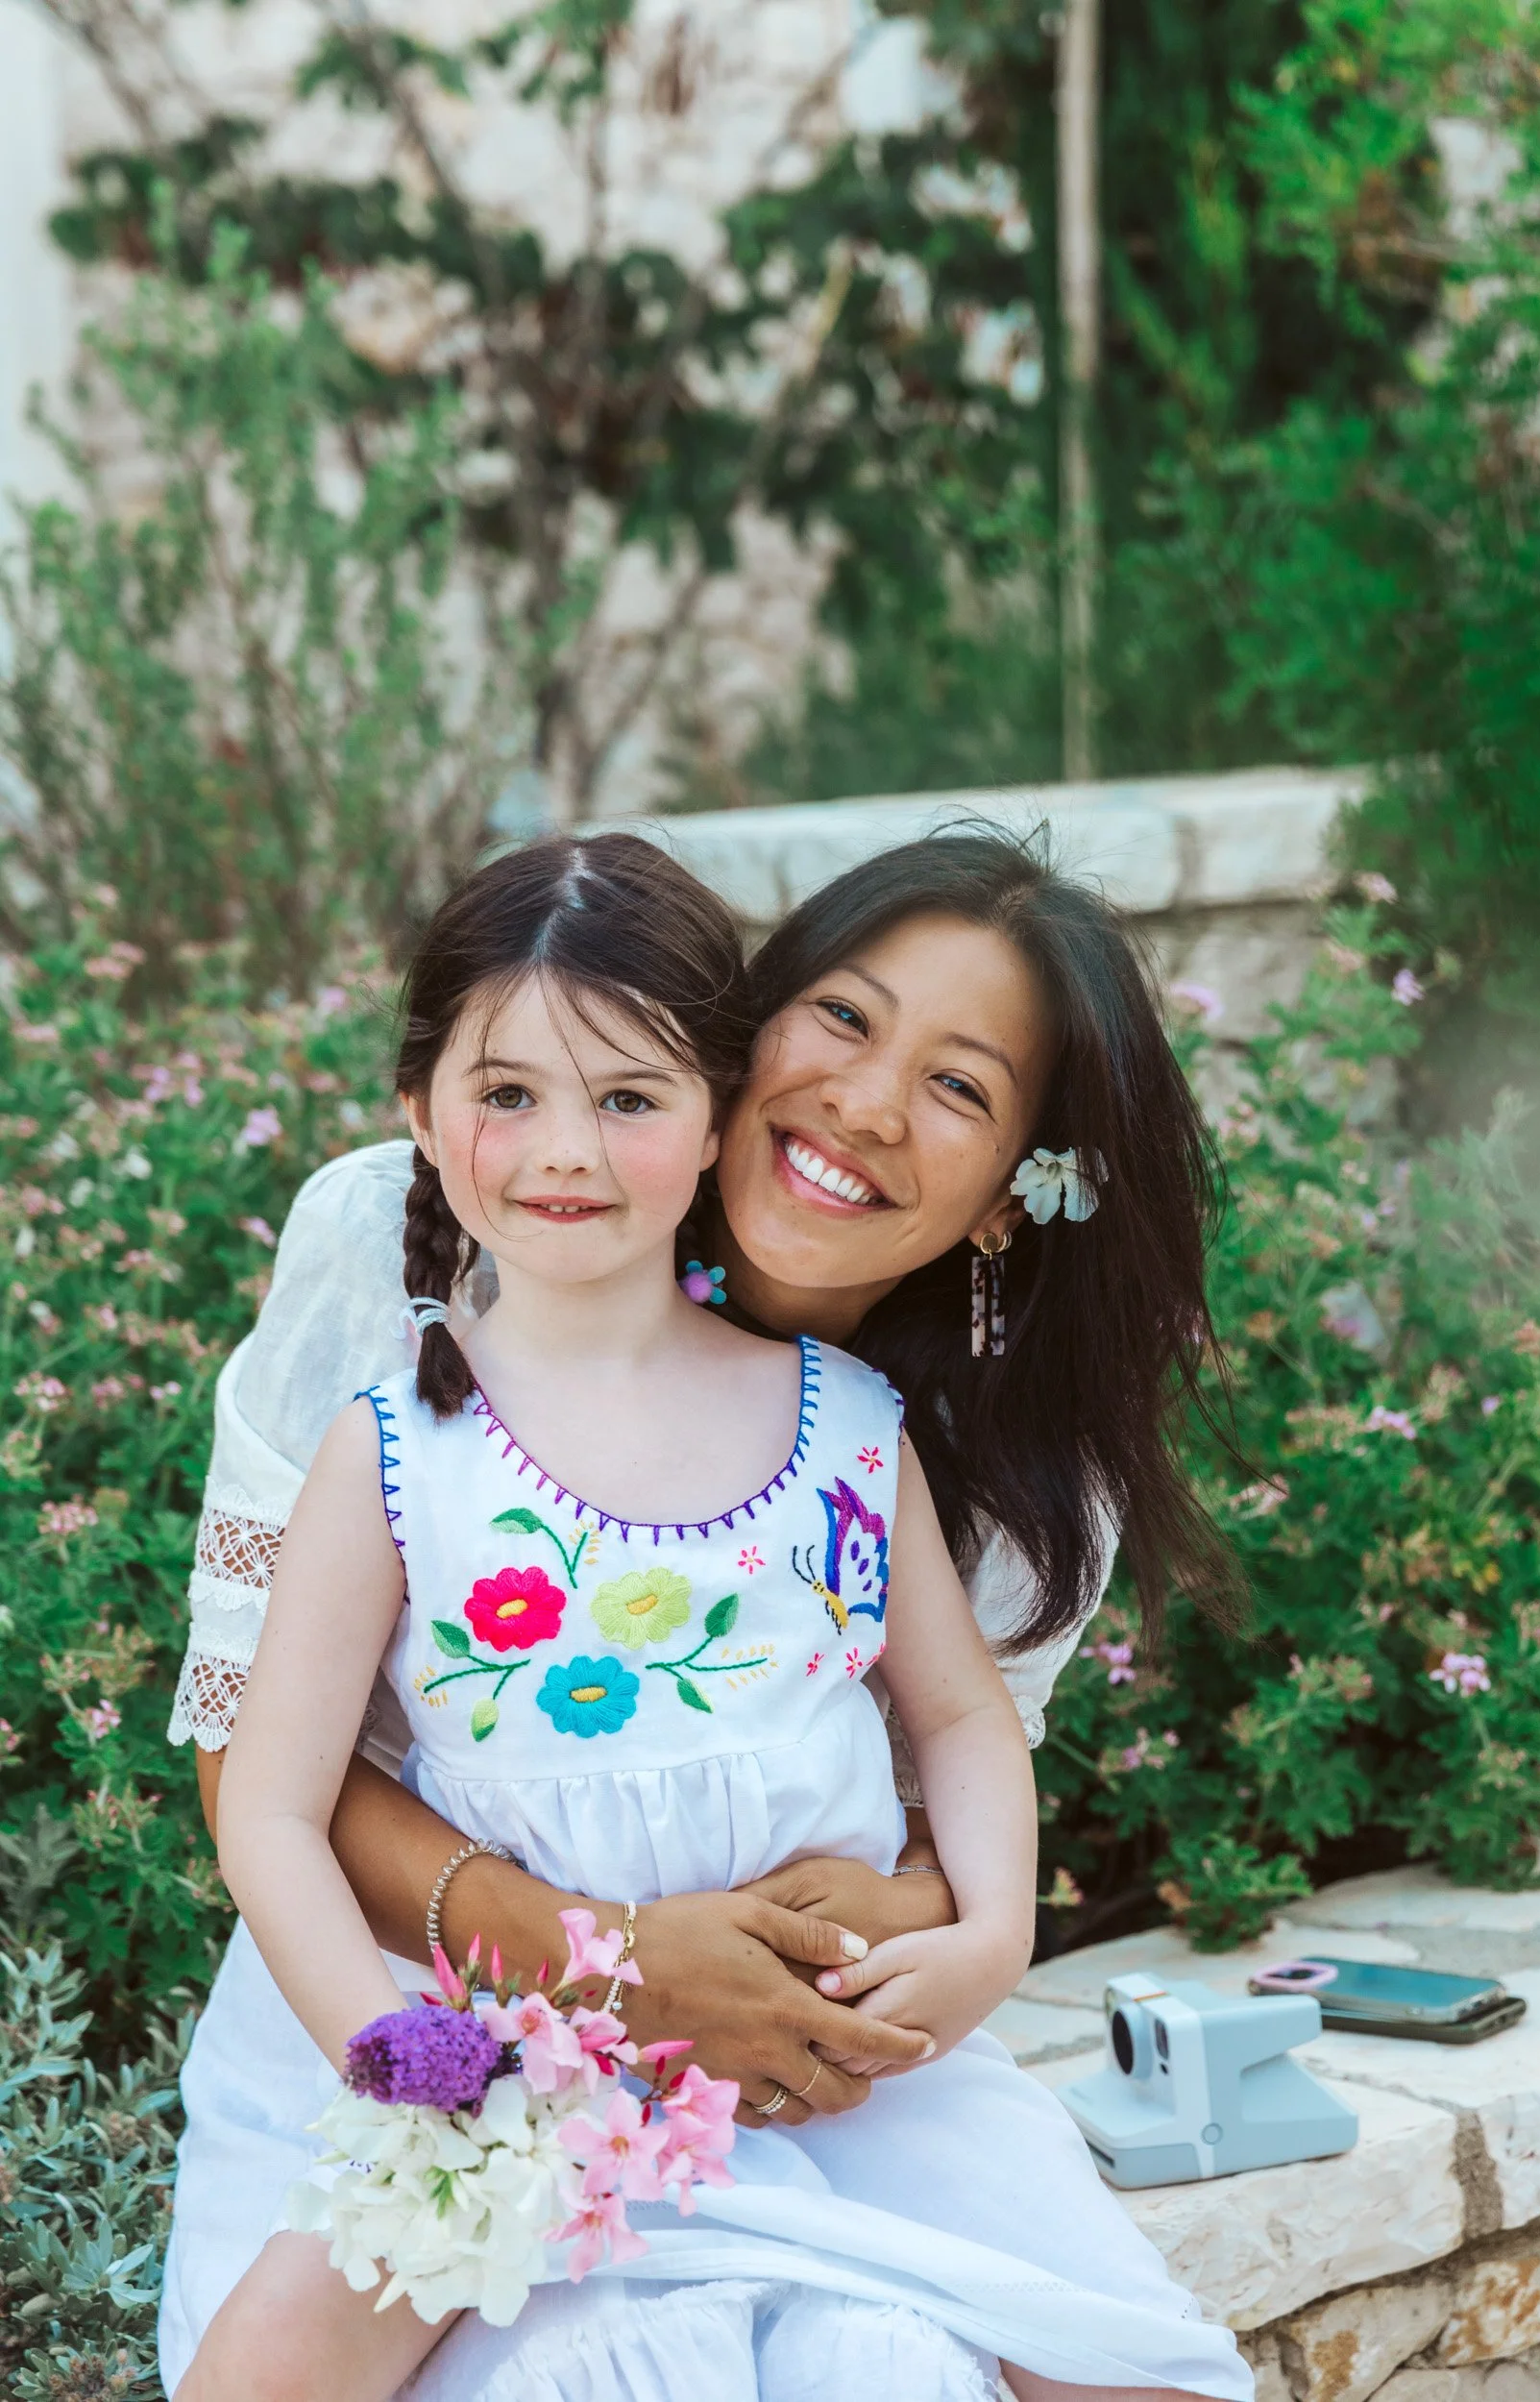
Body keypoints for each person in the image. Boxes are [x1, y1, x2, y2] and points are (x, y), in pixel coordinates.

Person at [160, 828, 1244, 2400]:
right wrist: (576, 1981)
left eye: (959, 1086)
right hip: (453, 2023)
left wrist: (940, 1930)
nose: (868, 1105)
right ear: (745, 1047)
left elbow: (956, 1754)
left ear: (1015, 1188)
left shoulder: (885, 1438)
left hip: (807, 2059)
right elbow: (249, 1763)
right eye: (848, 1022)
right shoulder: (402, 1384)